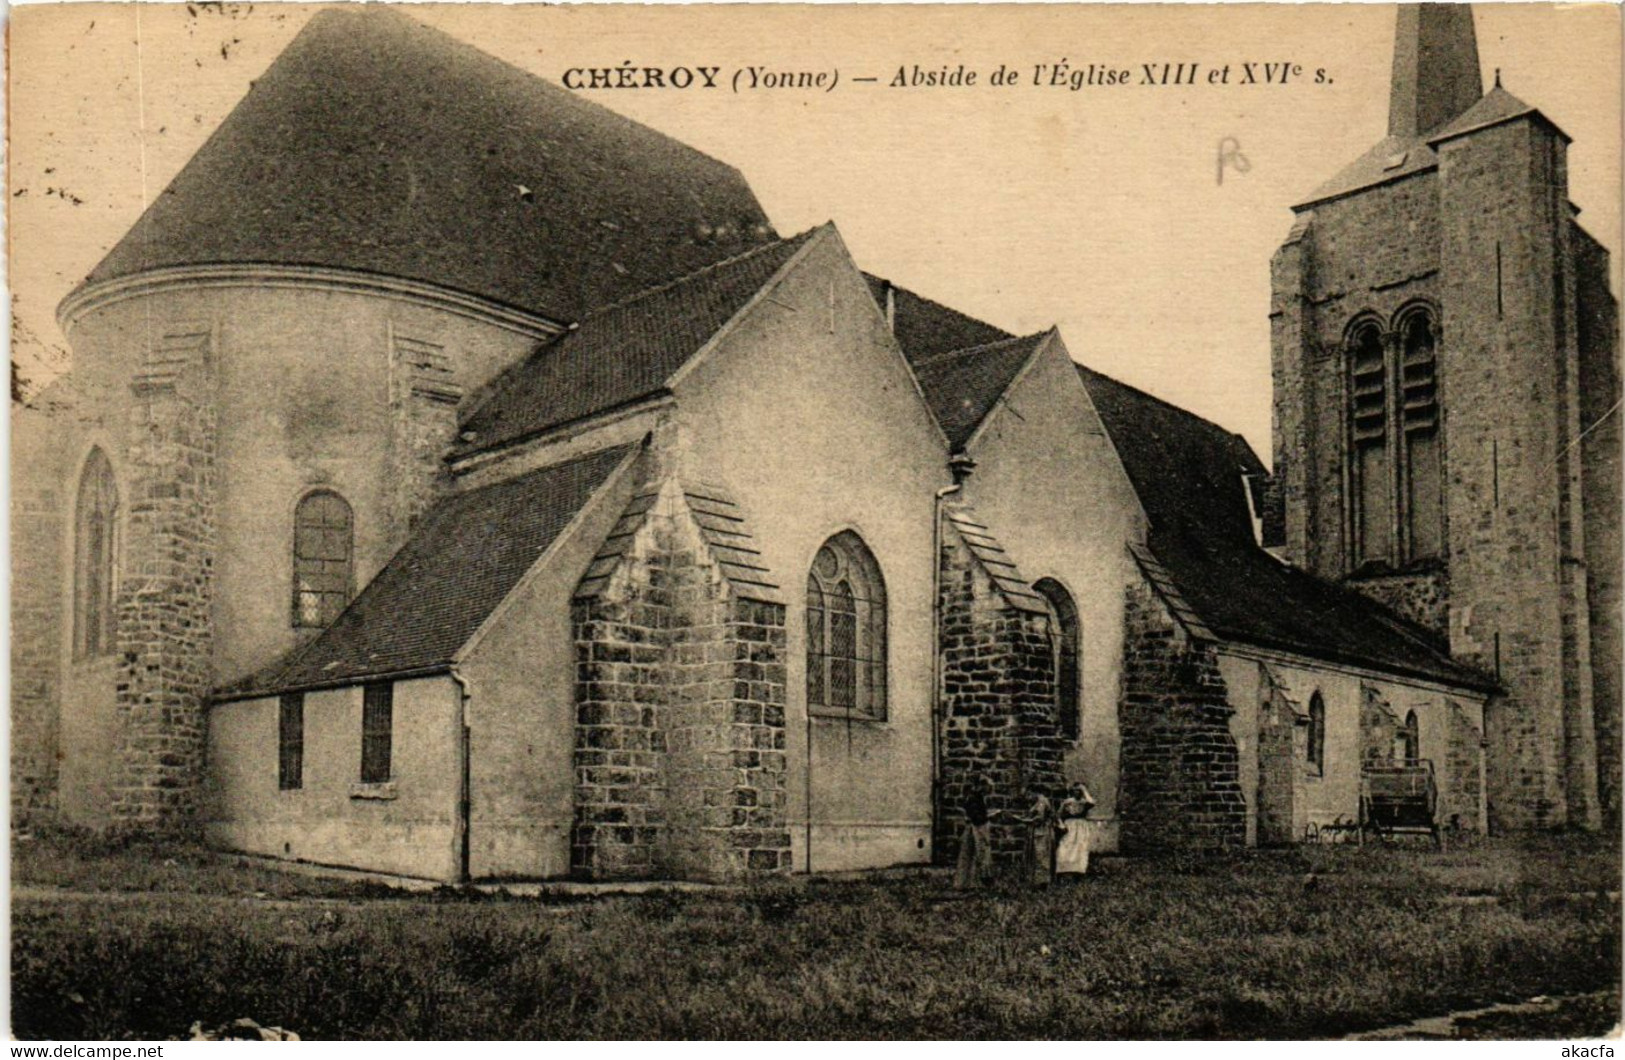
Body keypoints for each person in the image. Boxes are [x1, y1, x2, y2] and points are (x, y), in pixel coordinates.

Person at [954, 776, 996, 890]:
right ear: (982, 786)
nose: (989, 790)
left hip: (976, 828)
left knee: (975, 855)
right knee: (973, 854)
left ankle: (972, 883)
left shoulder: (977, 797)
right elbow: (976, 817)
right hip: (974, 829)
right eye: (988, 787)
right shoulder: (973, 798)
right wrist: (990, 815)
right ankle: (967, 883)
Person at [1019, 787, 1059, 887]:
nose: (1027, 799)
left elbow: (1039, 819)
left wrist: (1022, 820)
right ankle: (1034, 881)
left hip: (1042, 832)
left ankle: (1042, 882)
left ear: (1032, 792)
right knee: (1033, 855)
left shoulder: (1042, 801)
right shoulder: (1035, 801)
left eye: (1027, 795)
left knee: (1041, 856)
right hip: (1036, 831)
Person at [1055, 781, 1096, 879]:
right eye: (1075, 790)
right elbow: (1058, 815)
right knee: (1065, 847)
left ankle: (1078, 873)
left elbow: (1092, 802)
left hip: (1081, 826)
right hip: (1069, 825)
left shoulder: (1084, 802)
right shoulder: (1067, 802)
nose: (1077, 792)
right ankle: (1064, 873)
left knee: (1080, 848)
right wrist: (1061, 825)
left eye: (1079, 791)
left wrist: (1085, 790)